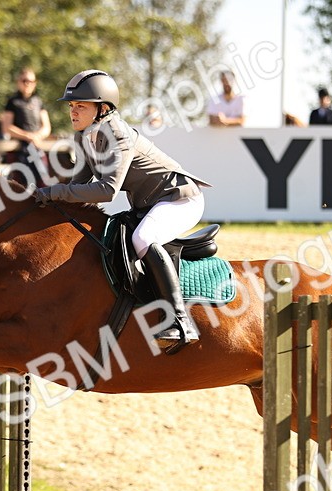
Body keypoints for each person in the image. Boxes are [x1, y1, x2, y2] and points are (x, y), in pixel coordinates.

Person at [33, 70, 210, 352]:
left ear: (102, 108)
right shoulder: (83, 137)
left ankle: (179, 320)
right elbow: (78, 185)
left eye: (81, 105)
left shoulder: (118, 134)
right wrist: (44, 200)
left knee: (142, 239)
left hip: (180, 199)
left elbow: (107, 190)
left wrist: (54, 192)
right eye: (71, 106)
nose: (73, 112)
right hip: (149, 203)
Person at [0, 67, 52, 187]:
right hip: (19, 151)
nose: (28, 84)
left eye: (31, 81)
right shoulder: (12, 102)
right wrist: (27, 136)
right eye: (24, 80)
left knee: (43, 181)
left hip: (37, 147)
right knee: (21, 185)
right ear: (18, 82)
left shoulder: (38, 101)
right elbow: (6, 127)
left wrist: (36, 136)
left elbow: (47, 127)